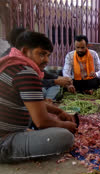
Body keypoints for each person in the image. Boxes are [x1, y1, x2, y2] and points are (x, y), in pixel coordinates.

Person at [0, 31, 77, 163]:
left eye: (48, 55)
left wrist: (58, 111)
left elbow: (32, 102)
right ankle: (12, 148)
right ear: (25, 51)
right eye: (41, 54)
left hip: (9, 131)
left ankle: (24, 134)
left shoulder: (10, 64)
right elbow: (42, 122)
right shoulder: (27, 72)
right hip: (4, 142)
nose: (46, 60)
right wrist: (64, 125)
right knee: (65, 137)